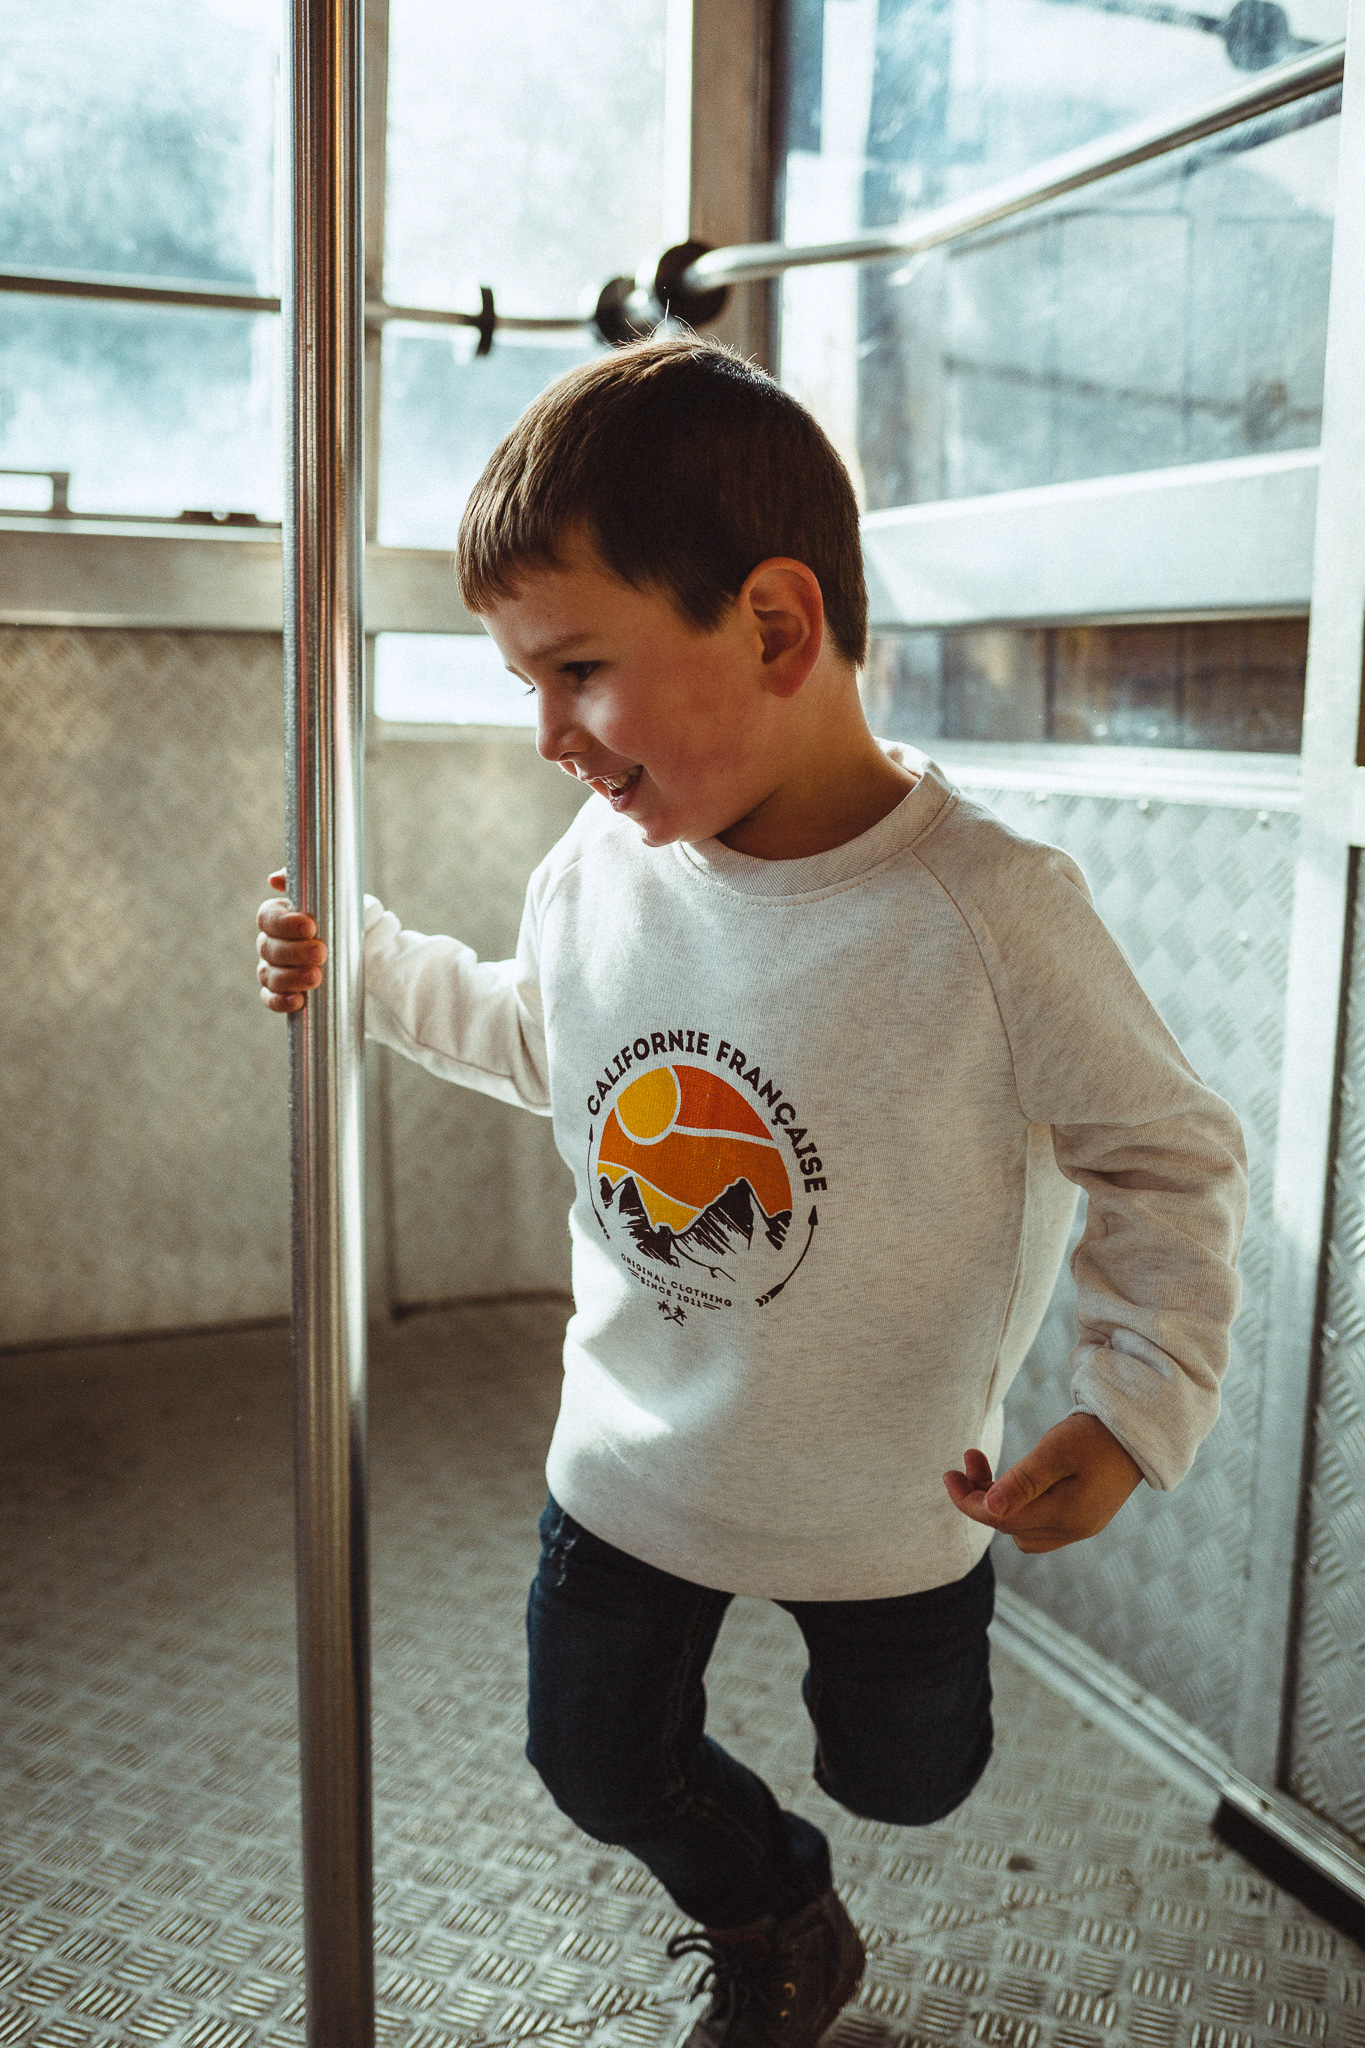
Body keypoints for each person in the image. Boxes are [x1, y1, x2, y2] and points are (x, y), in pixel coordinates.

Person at [257, 337, 1246, 2048]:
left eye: (577, 670)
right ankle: (776, 1909)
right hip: (635, 1461)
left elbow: (1166, 1155)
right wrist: (366, 968)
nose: (548, 735)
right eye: (525, 685)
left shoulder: (991, 912)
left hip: (890, 1492)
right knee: (591, 1759)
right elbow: (549, 1041)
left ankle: (858, 1801)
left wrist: (1133, 1401)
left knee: (908, 1780)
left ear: (776, 626)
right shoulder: (603, 864)